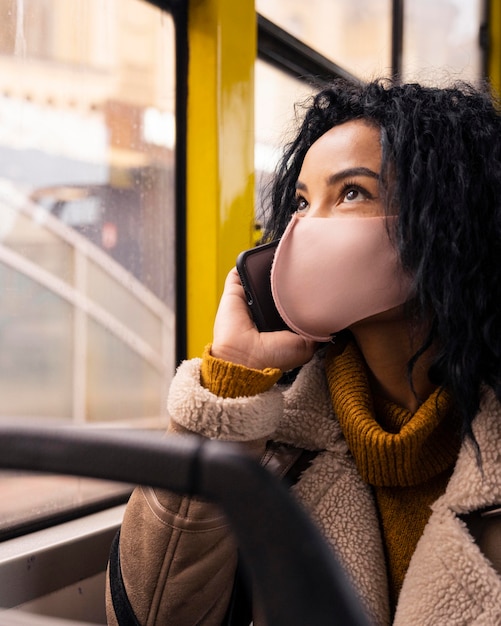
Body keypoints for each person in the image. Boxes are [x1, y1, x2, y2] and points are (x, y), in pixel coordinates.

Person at [106, 79, 501, 625]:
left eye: (351, 193)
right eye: (300, 201)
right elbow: (154, 617)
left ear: (446, 223)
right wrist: (233, 381)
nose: (302, 228)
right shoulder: (279, 436)